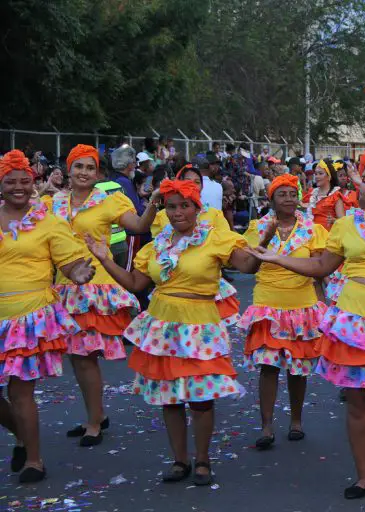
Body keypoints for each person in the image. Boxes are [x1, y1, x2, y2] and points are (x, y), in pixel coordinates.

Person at [251, 148, 365, 499]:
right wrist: (279, 258)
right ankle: (364, 477)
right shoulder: (344, 224)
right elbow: (322, 267)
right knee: (359, 403)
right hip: (354, 320)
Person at [84, 180, 258, 486]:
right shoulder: (156, 245)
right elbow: (136, 285)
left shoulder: (216, 238)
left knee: (201, 399)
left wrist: (265, 242)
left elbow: (247, 266)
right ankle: (180, 460)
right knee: (170, 399)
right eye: (171, 206)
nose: (178, 213)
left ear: (196, 208)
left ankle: (202, 460)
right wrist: (104, 258)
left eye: (184, 206)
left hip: (200, 326)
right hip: (163, 325)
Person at [48, 145, 160, 446]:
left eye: (90, 167)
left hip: (95, 288)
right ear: (68, 170)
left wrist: (153, 203)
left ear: (98, 173)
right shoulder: (53, 203)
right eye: (78, 166)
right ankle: (94, 415)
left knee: (85, 357)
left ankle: (95, 422)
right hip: (63, 287)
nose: (84, 172)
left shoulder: (108, 201)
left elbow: (138, 226)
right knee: (77, 357)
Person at [0, 150, 96, 483]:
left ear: (33, 184)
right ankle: (24, 438)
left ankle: (34, 460)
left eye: (25, 181)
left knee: (19, 391)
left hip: (27, 318)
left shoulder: (48, 221)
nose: (18, 187)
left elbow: (68, 261)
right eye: (10, 181)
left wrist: (78, 271)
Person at [239, 175, 329, 449]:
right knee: (268, 367)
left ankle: (296, 422)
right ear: (272, 200)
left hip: (301, 307)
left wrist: (327, 307)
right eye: (283, 194)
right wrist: (265, 238)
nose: (289, 199)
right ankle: (266, 427)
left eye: (293, 194)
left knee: (297, 369)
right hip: (268, 305)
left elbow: (319, 271)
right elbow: (249, 267)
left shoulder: (313, 230)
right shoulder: (257, 227)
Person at [150, 165, 240, 327]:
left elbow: (227, 248)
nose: (192, 185)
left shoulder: (214, 214)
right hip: (171, 284)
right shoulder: (162, 215)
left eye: (197, 182)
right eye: (187, 181)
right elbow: (157, 247)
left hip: (203, 283)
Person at [304, 159, 344, 229]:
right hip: (313, 235)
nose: (316, 176)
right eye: (315, 174)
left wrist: (334, 221)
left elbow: (343, 222)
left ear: (329, 177)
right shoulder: (312, 194)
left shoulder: (335, 195)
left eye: (320, 173)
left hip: (328, 236)